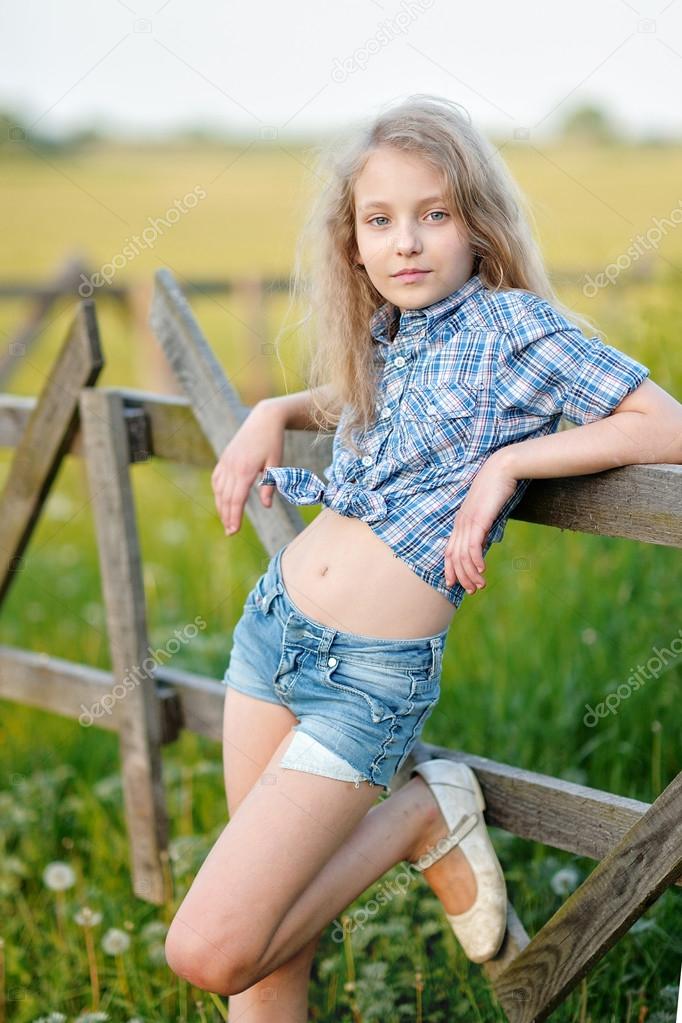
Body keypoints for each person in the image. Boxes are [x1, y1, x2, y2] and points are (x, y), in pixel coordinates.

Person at [164, 94, 682, 1014]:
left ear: (476, 226)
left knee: (214, 949)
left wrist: (511, 460)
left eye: (433, 215)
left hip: (367, 681)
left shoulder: (516, 326)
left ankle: (417, 815)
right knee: (272, 958)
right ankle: (412, 820)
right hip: (271, 633)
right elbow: (368, 402)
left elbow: (665, 425)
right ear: (354, 241)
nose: (406, 242)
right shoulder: (388, 332)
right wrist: (272, 411)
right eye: (380, 220)